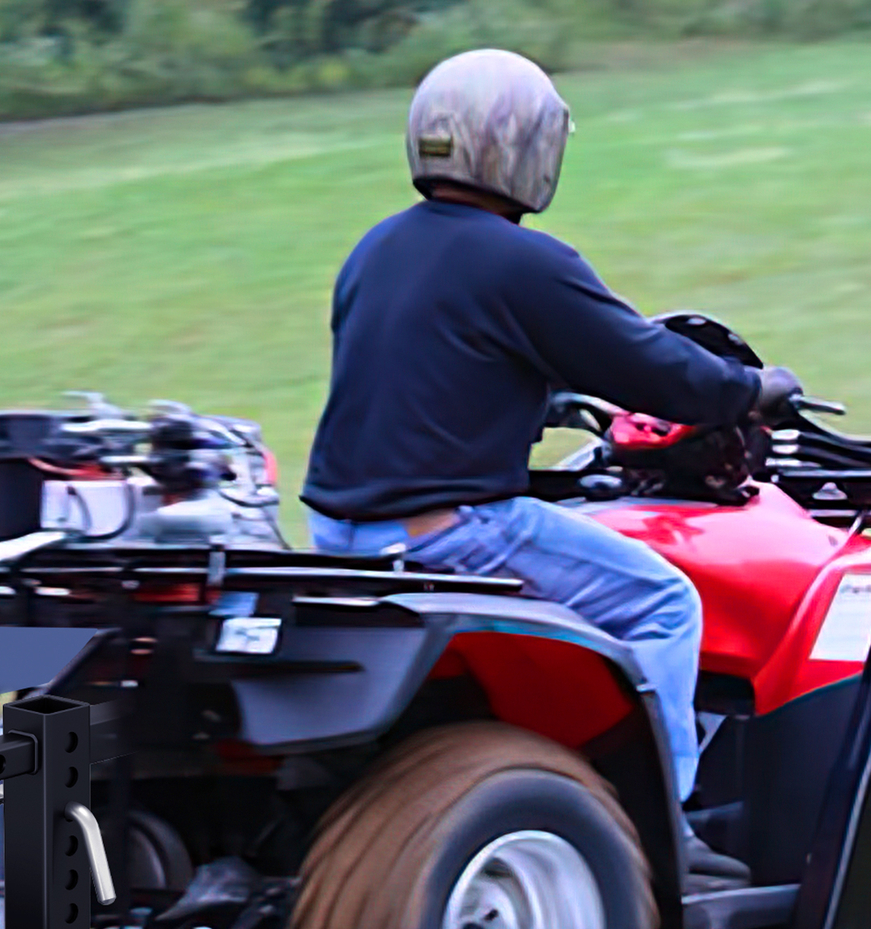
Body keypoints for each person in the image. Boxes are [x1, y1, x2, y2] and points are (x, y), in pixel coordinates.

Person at [301, 46, 801, 879]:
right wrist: (751, 390)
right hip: (452, 533)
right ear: (525, 148)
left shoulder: (376, 249)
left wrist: (543, 404)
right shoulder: (523, 260)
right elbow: (650, 365)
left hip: (339, 534)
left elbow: (428, 372)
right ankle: (669, 830)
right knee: (665, 601)